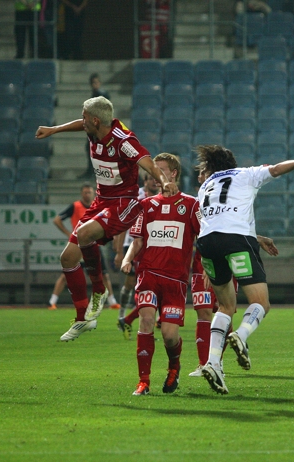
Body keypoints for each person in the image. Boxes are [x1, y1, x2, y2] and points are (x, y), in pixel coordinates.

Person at [35, 96, 178, 342]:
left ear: (95, 120)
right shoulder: (93, 130)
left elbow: (147, 162)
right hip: (102, 201)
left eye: (84, 116)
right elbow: (80, 125)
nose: (81, 121)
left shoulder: (124, 141)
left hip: (124, 203)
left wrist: (164, 181)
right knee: (67, 258)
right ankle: (83, 319)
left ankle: (99, 291)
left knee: (84, 234)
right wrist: (54, 130)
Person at [195, 145, 294, 395]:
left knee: (225, 307)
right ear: (231, 163)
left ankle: (212, 363)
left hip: (207, 244)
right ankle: (241, 336)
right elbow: (276, 169)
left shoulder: (205, 185)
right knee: (260, 302)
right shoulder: (245, 174)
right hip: (236, 240)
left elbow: (214, 220)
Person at [187, 166, 279, 378]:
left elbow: (213, 228)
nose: (200, 176)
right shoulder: (207, 196)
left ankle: (213, 363)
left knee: (224, 308)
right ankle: (233, 343)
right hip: (227, 252)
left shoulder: (203, 197)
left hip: (210, 255)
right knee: (241, 305)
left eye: (202, 172)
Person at [120, 153, 200, 396]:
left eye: (161, 170)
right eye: (154, 170)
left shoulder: (190, 204)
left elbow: (203, 238)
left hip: (175, 279)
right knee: (145, 320)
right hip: (148, 274)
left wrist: (205, 267)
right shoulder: (146, 205)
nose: (156, 175)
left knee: (169, 335)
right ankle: (143, 382)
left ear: (174, 173)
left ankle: (174, 365)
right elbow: (137, 240)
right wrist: (126, 258)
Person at [48, 183, 121, 310]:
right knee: (66, 275)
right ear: (82, 193)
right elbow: (57, 220)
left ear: (93, 193)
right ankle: (52, 302)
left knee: (103, 274)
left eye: (89, 192)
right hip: (77, 245)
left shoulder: (97, 206)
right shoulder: (75, 206)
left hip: (93, 243)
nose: (87, 194)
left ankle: (112, 301)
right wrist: (68, 234)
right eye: (85, 192)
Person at [114, 173, 159, 339]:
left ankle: (139, 320)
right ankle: (123, 314)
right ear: (145, 182)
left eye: (156, 179)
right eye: (151, 179)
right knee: (132, 282)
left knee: (150, 284)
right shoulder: (136, 198)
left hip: (154, 244)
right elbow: (123, 223)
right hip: (133, 243)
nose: (155, 182)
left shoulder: (165, 196)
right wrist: (120, 251)